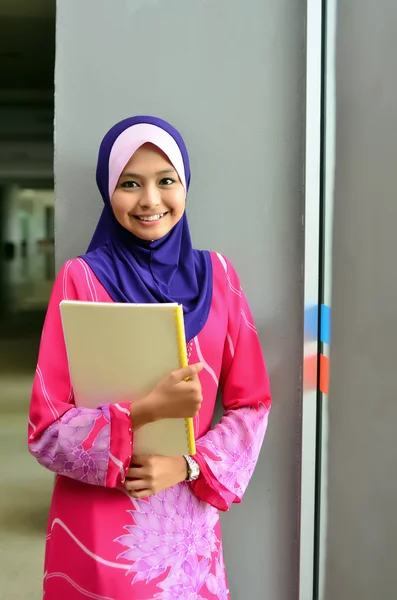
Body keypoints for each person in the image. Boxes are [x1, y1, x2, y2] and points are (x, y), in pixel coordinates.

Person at [28, 115, 272, 600]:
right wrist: (144, 412)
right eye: (130, 184)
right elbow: (47, 430)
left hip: (184, 526)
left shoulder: (219, 277)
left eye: (166, 181)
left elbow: (253, 405)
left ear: (185, 186)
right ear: (108, 190)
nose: (150, 201)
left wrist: (188, 466)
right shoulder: (81, 281)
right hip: (95, 525)